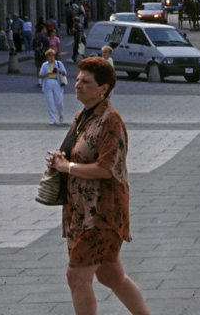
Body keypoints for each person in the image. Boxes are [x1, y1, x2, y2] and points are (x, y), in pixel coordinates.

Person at [44, 57, 152, 315]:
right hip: (80, 211)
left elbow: (107, 169)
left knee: (76, 276)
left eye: (86, 81)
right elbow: (76, 155)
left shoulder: (110, 120)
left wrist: (66, 167)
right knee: (110, 275)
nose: (78, 85)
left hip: (102, 213)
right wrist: (60, 159)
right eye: (78, 79)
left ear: (103, 88)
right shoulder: (82, 116)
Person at [39, 49, 68, 125]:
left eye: (53, 55)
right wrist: (47, 74)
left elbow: (65, 72)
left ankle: (61, 113)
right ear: (47, 57)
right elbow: (40, 75)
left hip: (57, 83)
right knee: (50, 102)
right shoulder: (45, 65)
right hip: (48, 82)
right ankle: (52, 119)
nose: (52, 57)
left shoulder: (58, 63)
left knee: (59, 102)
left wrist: (59, 70)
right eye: (50, 55)